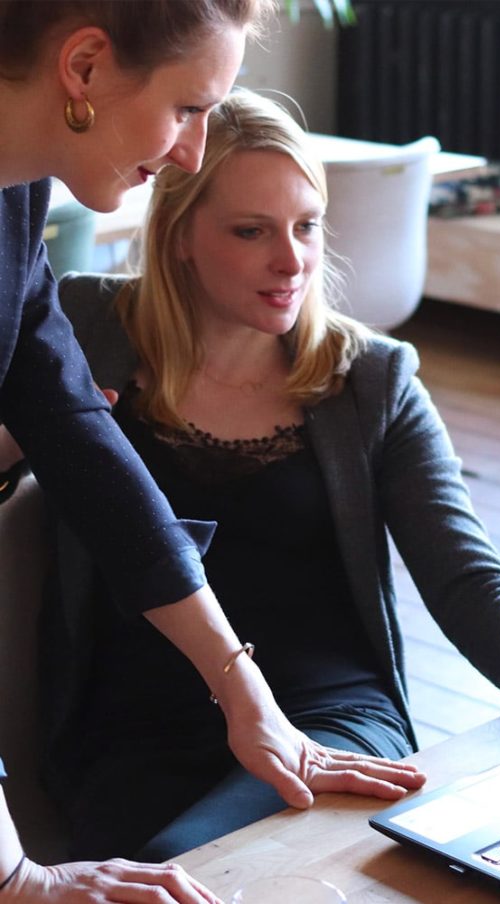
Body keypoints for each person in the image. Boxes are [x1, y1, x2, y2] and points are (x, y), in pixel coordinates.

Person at [25, 89, 500, 864]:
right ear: (180, 233)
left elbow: (463, 571)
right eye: (251, 231)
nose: (291, 260)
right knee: (185, 865)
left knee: (222, 865)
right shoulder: (84, 325)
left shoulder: (371, 380)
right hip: (132, 728)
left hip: (333, 717)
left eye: (307, 226)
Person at [0, 3, 424, 901]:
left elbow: (81, 435)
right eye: (189, 107)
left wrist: (247, 696)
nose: (193, 153)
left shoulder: (15, 195)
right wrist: (16, 877)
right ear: (83, 68)